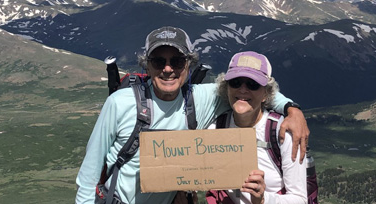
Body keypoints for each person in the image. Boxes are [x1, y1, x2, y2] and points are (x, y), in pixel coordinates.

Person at [75, 26, 309, 204]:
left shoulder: (200, 97)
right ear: (147, 65)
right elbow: (89, 174)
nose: (168, 69)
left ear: (188, 64)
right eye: (158, 61)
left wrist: (292, 109)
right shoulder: (118, 103)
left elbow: (249, 92)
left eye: (177, 61)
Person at [206, 51, 307, 204]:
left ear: (266, 94)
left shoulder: (283, 133)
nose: (243, 90)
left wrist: (263, 200)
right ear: (226, 88)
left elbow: (300, 199)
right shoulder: (215, 129)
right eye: (235, 82)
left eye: (252, 84)